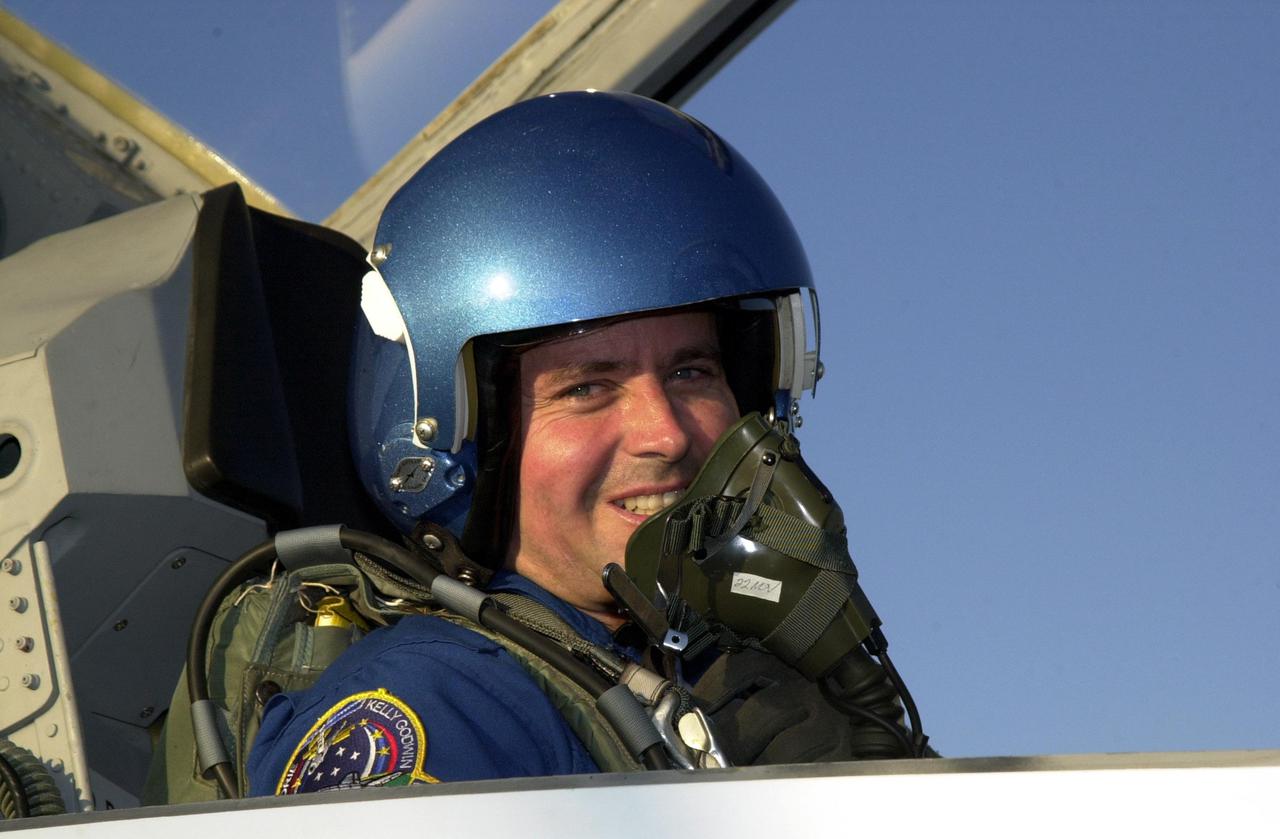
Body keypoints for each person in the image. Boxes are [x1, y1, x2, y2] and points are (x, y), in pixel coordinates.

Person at [245, 91, 914, 795]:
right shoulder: (443, 699)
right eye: (587, 388)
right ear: (465, 436)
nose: (666, 433)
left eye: (691, 370)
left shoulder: (719, 689)